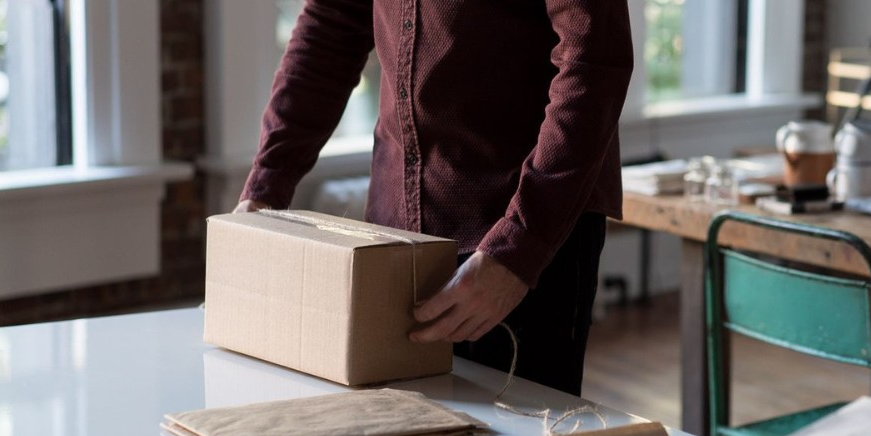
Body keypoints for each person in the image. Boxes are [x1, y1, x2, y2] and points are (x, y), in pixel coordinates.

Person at [235, 2, 634, 396]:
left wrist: (518, 248)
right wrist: (264, 188)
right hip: (393, 236)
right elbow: (330, 25)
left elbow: (593, 62)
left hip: (521, 236)